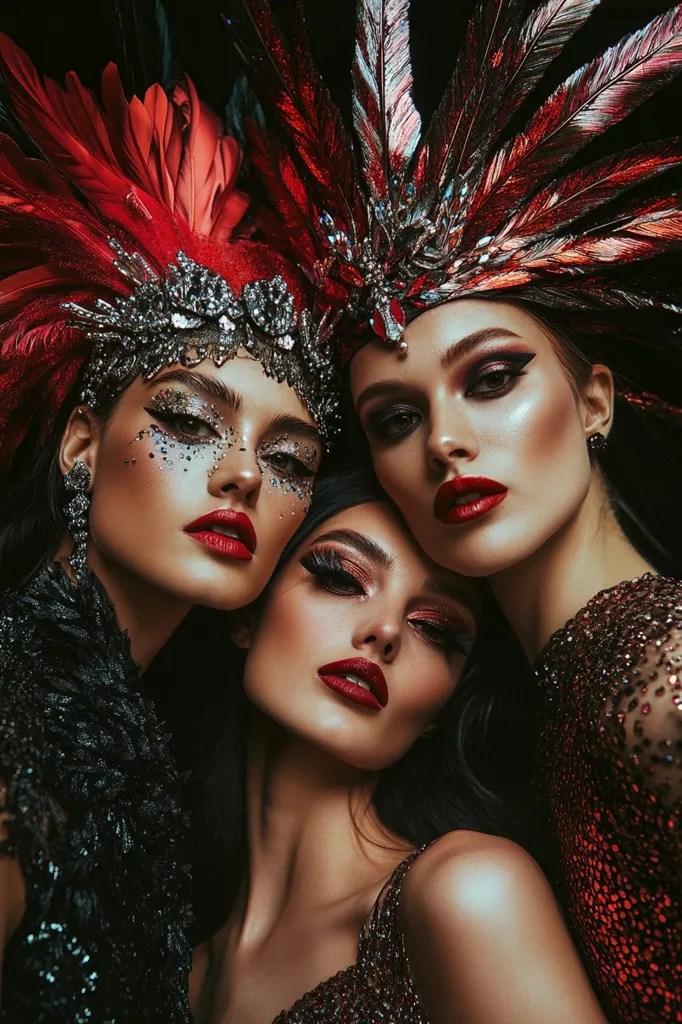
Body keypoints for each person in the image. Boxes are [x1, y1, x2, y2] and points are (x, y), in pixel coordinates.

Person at [222, 0, 682, 1019]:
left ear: (594, 401)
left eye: (492, 378)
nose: (445, 442)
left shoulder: (659, 677)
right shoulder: (575, 703)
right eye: (396, 417)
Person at [0, 34, 338, 1022]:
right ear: (80, 445)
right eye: (189, 421)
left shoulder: (132, 741)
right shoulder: (23, 716)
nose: (243, 474)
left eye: (290, 460)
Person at [188, 467, 607, 1024]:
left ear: (441, 709)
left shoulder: (470, 893)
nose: (385, 631)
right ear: (247, 610)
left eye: (433, 627)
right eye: (341, 578)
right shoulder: (173, 971)